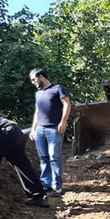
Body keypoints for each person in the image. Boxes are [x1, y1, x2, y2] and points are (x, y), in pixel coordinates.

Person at [29, 68, 72, 197]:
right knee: (43, 158)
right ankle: (46, 185)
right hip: (40, 130)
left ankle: (57, 186)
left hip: (54, 128)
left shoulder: (58, 89)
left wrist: (63, 121)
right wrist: (33, 129)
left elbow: (67, 105)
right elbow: (37, 112)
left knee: (54, 156)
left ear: (41, 77)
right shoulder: (38, 94)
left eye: (34, 79)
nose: (33, 82)